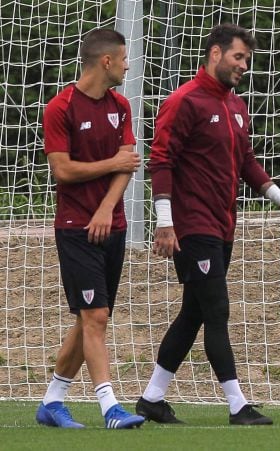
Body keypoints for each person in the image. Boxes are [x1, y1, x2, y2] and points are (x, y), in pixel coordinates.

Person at [136, 23, 280, 425]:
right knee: (217, 310)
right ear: (215, 54)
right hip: (192, 226)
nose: (244, 66)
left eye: (247, 59)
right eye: (238, 57)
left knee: (193, 313)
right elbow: (161, 160)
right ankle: (236, 404)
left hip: (222, 224)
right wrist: (165, 222)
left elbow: (245, 162)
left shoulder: (235, 105)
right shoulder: (184, 101)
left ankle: (152, 398)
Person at [37, 28, 145, 429]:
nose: (127, 65)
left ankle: (52, 400)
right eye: (124, 58)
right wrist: (110, 167)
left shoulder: (121, 105)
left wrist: (105, 207)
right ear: (106, 61)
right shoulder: (60, 107)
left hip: (110, 223)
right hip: (74, 228)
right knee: (96, 315)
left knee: (89, 318)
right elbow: (62, 169)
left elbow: (127, 163)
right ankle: (110, 407)